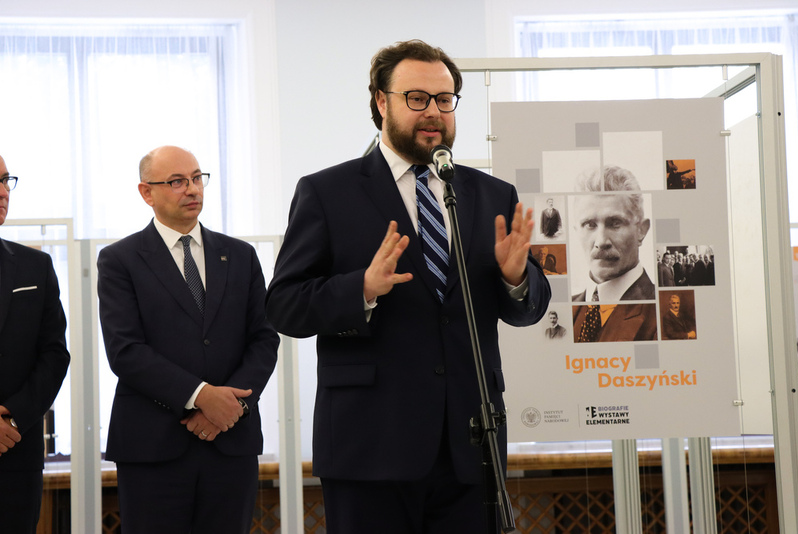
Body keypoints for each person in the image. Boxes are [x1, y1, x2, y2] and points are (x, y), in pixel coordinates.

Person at [265, 40, 551, 534]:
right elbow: (285, 306)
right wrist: (362, 290)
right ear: (381, 102)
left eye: (445, 99)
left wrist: (515, 278)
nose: (434, 112)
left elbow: (527, 310)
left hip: (470, 444)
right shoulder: (327, 192)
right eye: (416, 98)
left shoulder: (490, 194)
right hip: (369, 444)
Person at [97, 146, 279, 534]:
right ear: (147, 192)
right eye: (177, 182)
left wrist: (231, 408)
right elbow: (125, 351)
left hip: (230, 442)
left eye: (197, 178)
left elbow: (264, 339)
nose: (192, 189)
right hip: (153, 446)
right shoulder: (120, 260)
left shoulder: (240, 255)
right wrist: (201, 396)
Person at [0, 155, 71, 534]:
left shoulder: (35, 267)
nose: (1, 191)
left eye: (5, 180)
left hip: (15, 450)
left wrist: (12, 417)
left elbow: (54, 355)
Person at [571, 165, 657, 342]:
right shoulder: (565, 310)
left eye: (615, 223)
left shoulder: (661, 312)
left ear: (641, 230)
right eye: (590, 225)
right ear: (576, 231)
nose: (601, 241)